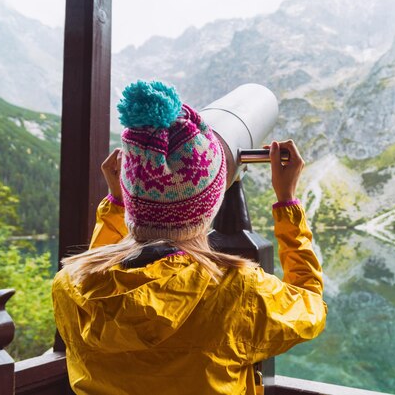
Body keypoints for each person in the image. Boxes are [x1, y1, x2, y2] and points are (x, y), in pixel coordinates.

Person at [52, 80, 327, 395]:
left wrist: (115, 207)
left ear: (132, 199)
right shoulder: (236, 290)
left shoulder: (69, 284)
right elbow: (311, 308)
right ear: (208, 205)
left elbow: (97, 276)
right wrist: (287, 205)